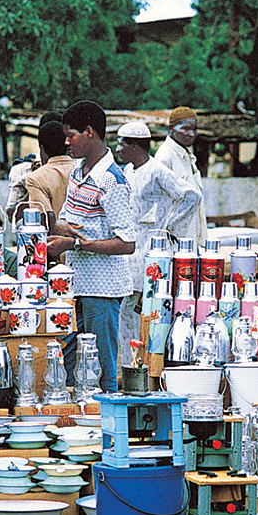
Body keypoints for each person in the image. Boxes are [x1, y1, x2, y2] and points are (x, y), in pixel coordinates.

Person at [47, 101, 136, 393]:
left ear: (89, 133)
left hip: (103, 289)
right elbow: (69, 219)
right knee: (70, 364)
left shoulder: (112, 181)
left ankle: (107, 429)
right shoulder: (77, 170)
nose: (66, 142)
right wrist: (57, 227)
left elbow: (127, 243)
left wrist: (73, 243)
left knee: (101, 368)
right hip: (75, 285)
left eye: (71, 135)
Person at [115, 120, 201, 350]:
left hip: (153, 255)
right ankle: (130, 362)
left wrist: (169, 227)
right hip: (132, 253)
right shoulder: (127, 171)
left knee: (151, 311)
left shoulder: (157, 170)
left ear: (135, 146)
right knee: (127, 312)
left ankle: (149, 361)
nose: (118, 149)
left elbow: (191, 196)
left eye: (122, 143)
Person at [154, 106, 207, 246]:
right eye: (185, 128)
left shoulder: (185, 156)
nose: (191, 134)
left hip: (189, 236)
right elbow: (160, 204)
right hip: (173, 240)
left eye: (194, 129)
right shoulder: (165, 156)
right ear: (172, 129)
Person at [25, 119, 74, 231]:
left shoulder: (35, 178)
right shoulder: (83, 169)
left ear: (42, 148)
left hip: (56, 244)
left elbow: (45, 220)